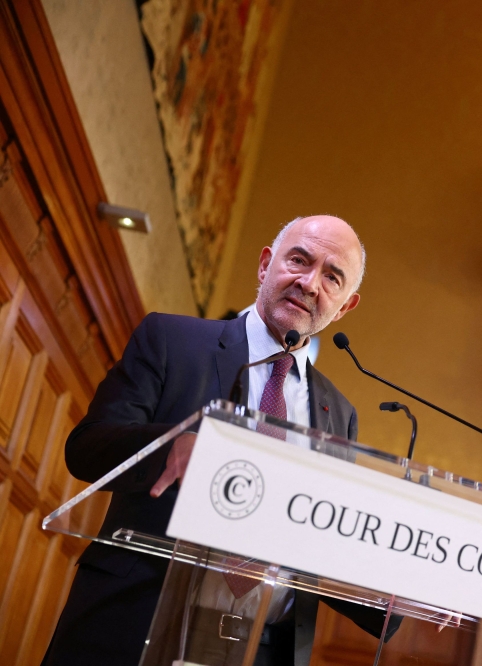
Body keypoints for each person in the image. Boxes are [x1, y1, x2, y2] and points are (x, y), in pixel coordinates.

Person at [43, 215, 397, 666]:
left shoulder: (340, 414)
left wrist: (402, 578)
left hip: (261, 648)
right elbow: (87, 448)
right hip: (136, 625)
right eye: (299, 260)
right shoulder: (172, 340)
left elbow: (318, 534)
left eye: (332, 277)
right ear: (265, 265)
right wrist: (171, 446)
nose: (309, 284)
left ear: (345, 306)